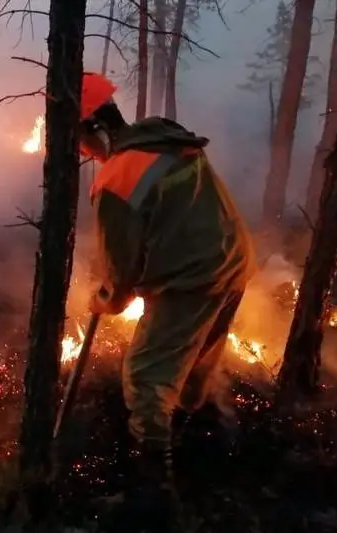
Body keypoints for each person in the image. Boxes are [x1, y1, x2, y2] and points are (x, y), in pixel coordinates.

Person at [79, 72, 256, 527]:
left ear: (94, 131)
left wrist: (102, 300)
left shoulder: (116, 180)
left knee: (145, 377)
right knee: (194, 362)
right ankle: (193, 445)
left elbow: (118, 280)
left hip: (191, 278)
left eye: (83, 144)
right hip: (233, 260)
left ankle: (154, 498)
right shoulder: (162, 136)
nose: (87, 156)